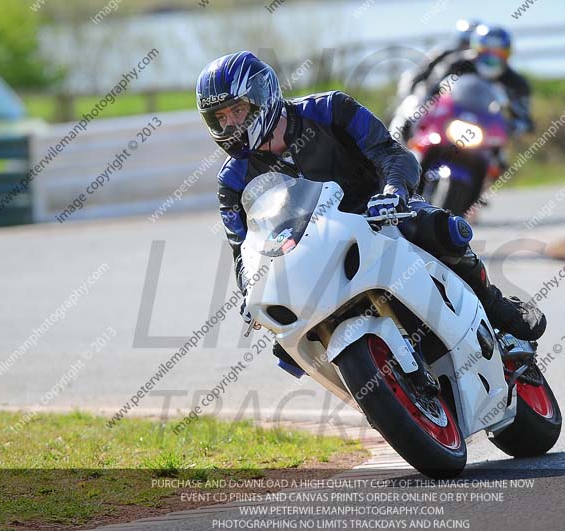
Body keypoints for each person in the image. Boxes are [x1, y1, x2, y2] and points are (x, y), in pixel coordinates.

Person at [196, 51, 545, 373]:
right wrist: (250, 290)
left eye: (237, 111)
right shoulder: (232, 179)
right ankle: (373, 388)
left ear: (263, 95)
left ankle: (498, 309)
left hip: (377, 212)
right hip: (311, 252)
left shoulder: (330, 109)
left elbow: (392, 154)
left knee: (443, 230)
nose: (231, 125)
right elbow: (243, 249)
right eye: (220, 118)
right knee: (288, 348)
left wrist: (393, 192)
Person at [429, 24, 534, 136]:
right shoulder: (457, 64)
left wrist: (511, 127)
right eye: (486, 50)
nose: (492, 56)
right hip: (451, 125)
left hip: (489, 134)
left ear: (508, 53)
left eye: (499, 52)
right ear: (475, 48)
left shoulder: (516, 83)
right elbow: (432, 92)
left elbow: (524, 118)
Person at [396, 18, 481, 100]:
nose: (469, 46)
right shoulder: (445, 54)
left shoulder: (484, 60)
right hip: (439, 101)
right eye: (466, 41)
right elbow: (421, 72)